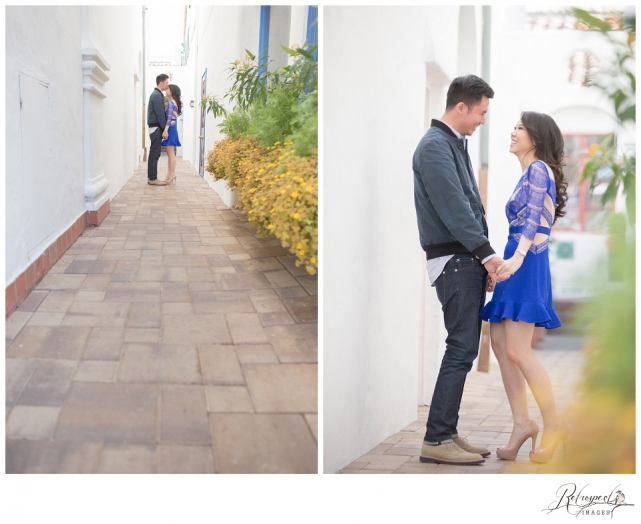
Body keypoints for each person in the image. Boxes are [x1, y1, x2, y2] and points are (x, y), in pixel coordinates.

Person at [413, 75, 505, 466]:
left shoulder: (452, 143)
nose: (484, 119)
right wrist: (487, 255)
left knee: (462, 348)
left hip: (462, 260)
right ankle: (436, 440)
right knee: (461, 348)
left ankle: (446, 432)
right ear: (461, 106)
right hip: (455, 262)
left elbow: (468, 204)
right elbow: (454, 208)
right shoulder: (435, 147)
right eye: (482, 112)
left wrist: (481, 255)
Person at [479, 111, 569, 463]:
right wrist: (503, 265)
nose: (513, 132)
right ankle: (522, 424)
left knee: (518, 350)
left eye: (520, 128)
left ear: (537, 137)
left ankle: (555, 425)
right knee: (501, 345)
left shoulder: (537, 169)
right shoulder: (530, 173)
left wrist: (515, 260)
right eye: (515, 127)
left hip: (526, 260)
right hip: (516, 260)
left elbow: (532, 219)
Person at [147, 74, 169, 186]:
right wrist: (165, 129)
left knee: (154, 153)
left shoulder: (157, 94)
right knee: (155, 153)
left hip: (154, 127)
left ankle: (152, 177)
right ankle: (152, 178)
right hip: (156, 128)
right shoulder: (156, 95)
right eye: (166, 83)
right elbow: (160, 114)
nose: (167, 85)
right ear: (161, 83)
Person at [161, 84, 182, 185]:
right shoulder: (174, 102)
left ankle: (172, 173)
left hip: (170, 128)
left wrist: (165, 130)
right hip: (173, 128)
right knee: (170, 153)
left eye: (168, 89)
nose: (166, 90)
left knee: (170, 153)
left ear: (172, 91)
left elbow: (169, 118)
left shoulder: (170, 103)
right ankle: (169, 174)